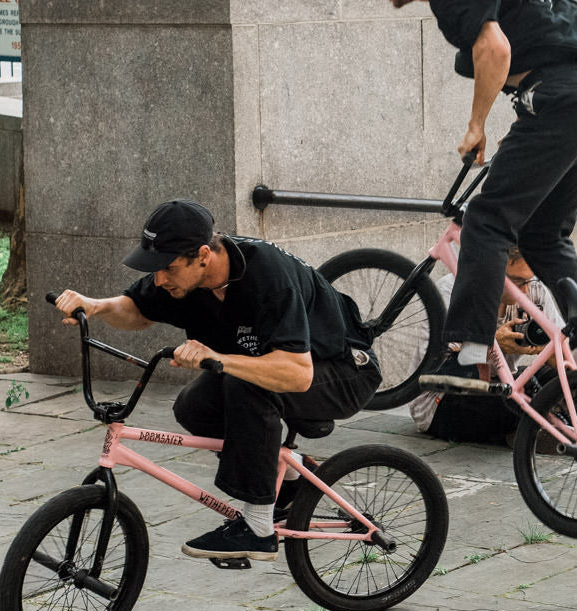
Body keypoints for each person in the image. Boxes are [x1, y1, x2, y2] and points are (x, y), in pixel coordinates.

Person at [348, 0, 577, 394]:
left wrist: (477, 125)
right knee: (544, 235)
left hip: (558, 101)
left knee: (488, 219)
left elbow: (494, 49)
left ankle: (468, 351)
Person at [52, 199, 381, 562]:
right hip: (282, 368)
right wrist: (95, 305)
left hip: (343, 372)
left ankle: (257, 529)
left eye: (169, 268)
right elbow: (136, 310)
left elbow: (297, 373)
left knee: (245, 381)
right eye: (156, 269)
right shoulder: (184, 280)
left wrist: (221, 359)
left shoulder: (269, 278)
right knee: (194, 406)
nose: (160, 278)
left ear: (204, 256)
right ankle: (289, 481)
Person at [408, 248, 577, 444]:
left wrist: (549, 351)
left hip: (507, 384)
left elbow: (566, 352)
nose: (524, 290)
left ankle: (543, 429)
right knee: (522, 404)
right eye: (517, 282)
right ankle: (553, 427)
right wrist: (495, 344)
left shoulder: (534, 289)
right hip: (443, 399)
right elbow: (436, 371)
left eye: (527, 280)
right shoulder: (451, 291)